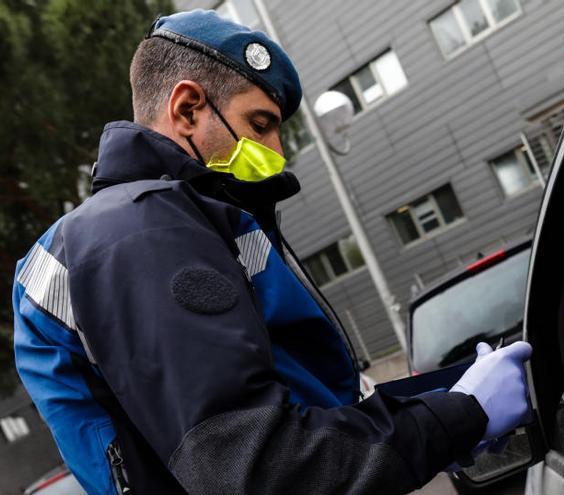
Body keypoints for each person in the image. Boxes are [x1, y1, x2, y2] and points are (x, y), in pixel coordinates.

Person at [12, 10, 533, 494]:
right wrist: (461, 416)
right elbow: (257, 465)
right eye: (260, 125)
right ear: (187, 109)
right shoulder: (140, 231)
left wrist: (439, 407)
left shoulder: (167, 224)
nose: (278, 151)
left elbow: (296, 406)